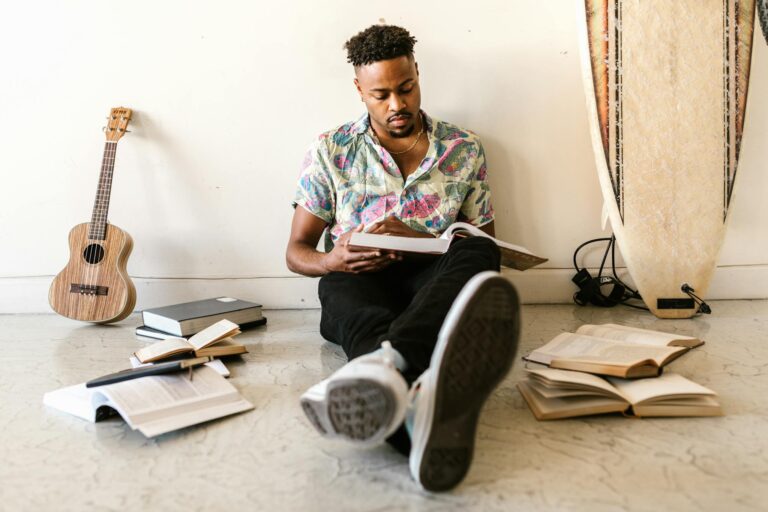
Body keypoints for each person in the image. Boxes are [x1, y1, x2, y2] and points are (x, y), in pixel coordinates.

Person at [286, 24, 520, 492]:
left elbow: (485, 242)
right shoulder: (331, 150)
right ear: (359, 90)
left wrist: (418, 236)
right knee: (339, 287)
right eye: (381, 94)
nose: (397, 105)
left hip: (431, 284)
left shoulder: (463, 149)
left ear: (417, 74)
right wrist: (331, 261)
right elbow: (296, 252)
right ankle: (417, 396)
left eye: (406, 88)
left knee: (476, 251)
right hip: (357, 281)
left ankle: (384, 364)